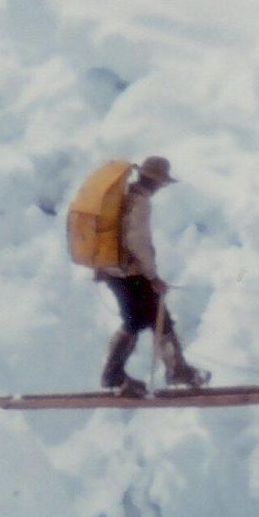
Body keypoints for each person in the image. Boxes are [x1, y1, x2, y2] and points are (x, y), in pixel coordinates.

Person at [97, 155, 206, 397]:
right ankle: (174, 371)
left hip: (112, 270)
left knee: (140, 319)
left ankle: (118, 374)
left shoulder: (124, 196)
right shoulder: (140, 202)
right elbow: (138, 242)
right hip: (130, 273)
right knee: (152, 317)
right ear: (157, 181)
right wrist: (152, 276)